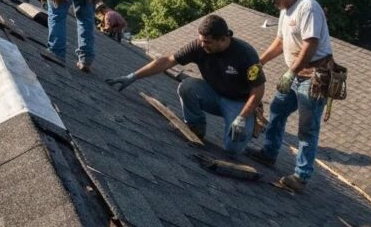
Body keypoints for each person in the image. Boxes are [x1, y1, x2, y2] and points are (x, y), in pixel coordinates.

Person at [106, 15, 264, 158]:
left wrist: (242, 118)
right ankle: (196, 126)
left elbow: (258, 90)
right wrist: (133, 76)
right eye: (201, 40)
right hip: (213, 94)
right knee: (187, 86)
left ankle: (247, 126)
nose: (202, 45)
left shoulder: (245, 54)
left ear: (223, 39)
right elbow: (167, 61)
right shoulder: (199, 46)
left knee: (232, 149)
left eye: (207, 42)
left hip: (240, 104)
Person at [247, 0, 334, 192]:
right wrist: (260, 62)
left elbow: (310, 45)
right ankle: (269, 153)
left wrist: (291, 73)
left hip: (315, 77)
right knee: (277, 109)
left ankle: (301, 177)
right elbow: (280, 41)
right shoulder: (286, 12)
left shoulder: (308, 8)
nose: (272, 2)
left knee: (307, 128)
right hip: (296, 74)